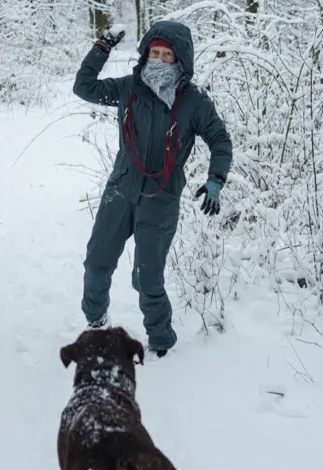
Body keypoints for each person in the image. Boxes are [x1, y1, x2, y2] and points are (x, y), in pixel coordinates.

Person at [72, 20, 233, 357]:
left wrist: (216, 178)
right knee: (96, 264)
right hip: (121, 190)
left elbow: (220, 139)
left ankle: (161, 342)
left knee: (147, 279)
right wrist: (102, 46)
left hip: (161, 198)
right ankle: (96, 324)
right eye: (154, 52)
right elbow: (84, 87)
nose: (159, 60)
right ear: (145, 53)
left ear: (180, 60)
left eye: (167, 55)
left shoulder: (194, 101)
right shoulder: (129, 88)